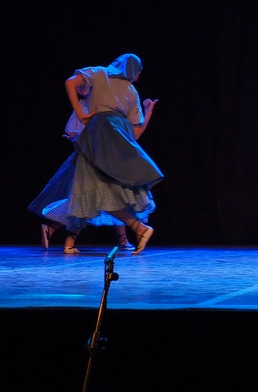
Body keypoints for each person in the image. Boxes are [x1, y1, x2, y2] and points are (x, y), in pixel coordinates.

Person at [54, 54, 162, 254]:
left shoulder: (98, 73)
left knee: (89, 185)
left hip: (99, 134)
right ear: (132, 70)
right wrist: (147, 114)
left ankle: (138, 228)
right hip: (117, 138)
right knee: (99, 189)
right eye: (139, 72)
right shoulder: (131, 91)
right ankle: (138, 228)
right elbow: (135, 135)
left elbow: (70, 82)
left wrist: (80, 112)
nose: (138, 76)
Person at [29, 81, 155, 251]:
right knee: (97, 198)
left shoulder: (105, 106)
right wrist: (77, 140)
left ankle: (119, 240)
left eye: (84, 85)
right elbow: (75, 134)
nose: (81, 89)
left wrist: (147, 112)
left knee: (104, 197)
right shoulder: (84, 107)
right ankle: (61, 235)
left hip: (104, 157)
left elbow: (131, 134)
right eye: (78, 88)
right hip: (91, 159)